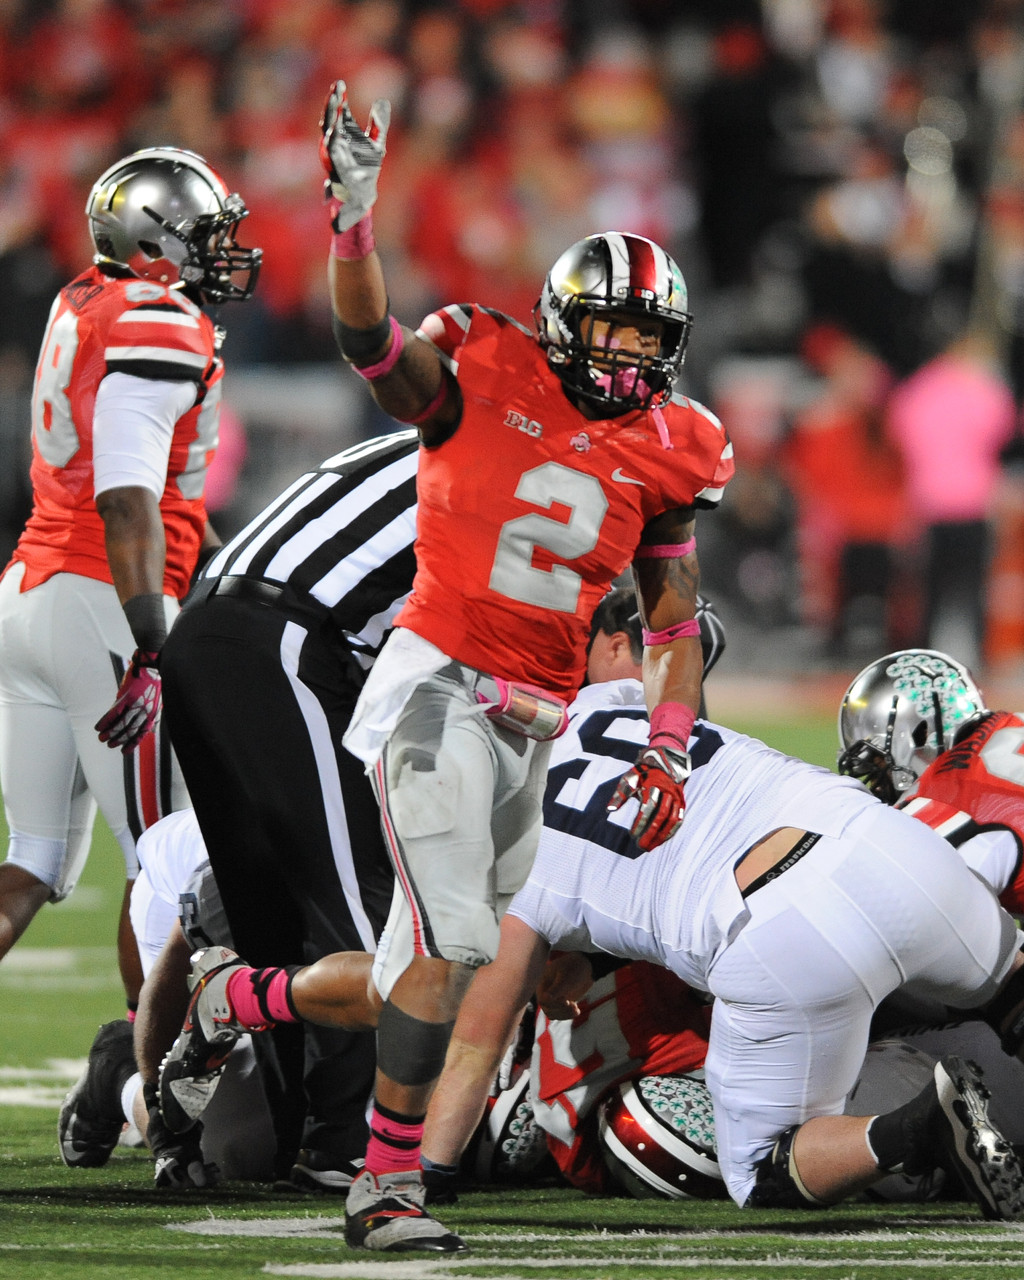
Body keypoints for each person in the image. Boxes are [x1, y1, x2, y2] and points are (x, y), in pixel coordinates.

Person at [294, 77, 734, 1253]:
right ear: (558, 320)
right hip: (438, 683)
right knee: (452, 948)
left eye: (648, 341)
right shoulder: (481, 365)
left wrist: (667, 738)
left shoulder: (675, 447)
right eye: (610, 332)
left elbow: (676, 612)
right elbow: (368, 343)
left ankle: (239, 998)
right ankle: (384, 1187)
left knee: (426, 957)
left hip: (535, 723)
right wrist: (354, 224)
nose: (628, 358)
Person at [160, 672, 1024, 1226]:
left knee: (759, 1172)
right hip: (897, 854)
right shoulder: (627, 710)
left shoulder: (499, 834)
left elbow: (473, 1033)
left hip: (781, 923)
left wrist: (429, 1166)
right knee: (1004, 981)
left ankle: (922, 1129)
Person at [0, 147, 260, 1016]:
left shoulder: (84, 294)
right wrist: (151, 643)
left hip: (30, 592)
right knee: (166, 859)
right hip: (100, 605)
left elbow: (166, 503)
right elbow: (127, 495)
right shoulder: (159, 318)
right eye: (207, 235)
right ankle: (145, 1084)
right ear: (157, 240)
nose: (223, 253)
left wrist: (228, 574)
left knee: (31, 861)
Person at [152, 428, 423, 1187]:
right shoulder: (504, 454)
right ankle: (347, 1141)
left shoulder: (436, 430)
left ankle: (291, 1125)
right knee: (361, 916)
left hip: (218, 627)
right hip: (285, 638)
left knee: (276, 926)